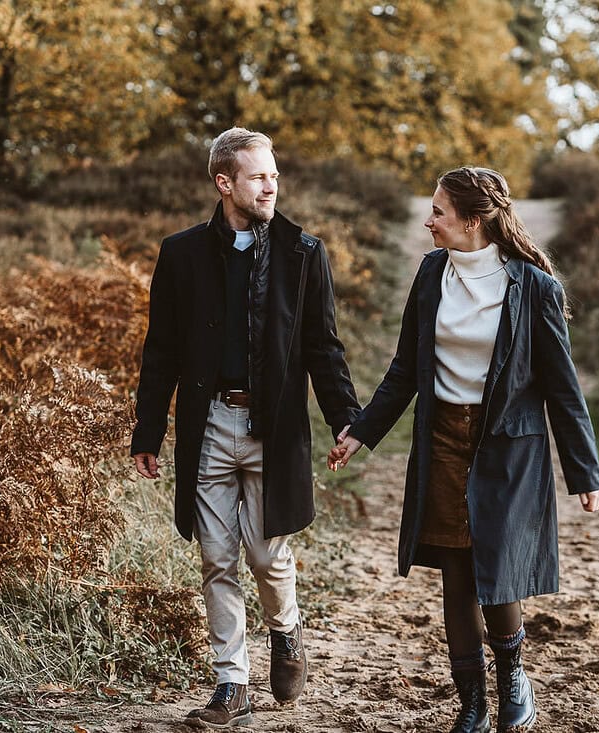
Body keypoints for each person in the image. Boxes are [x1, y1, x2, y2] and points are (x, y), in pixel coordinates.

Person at [329, 167, 599, 732]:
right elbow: (405, 367)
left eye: (438, 212)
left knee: (497, 572)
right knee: (456, 571)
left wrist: (584, 471)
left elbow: (561, 386)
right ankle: (472, 706)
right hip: (443, 441)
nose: (428, 220)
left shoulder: (534, 287)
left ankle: (513, 681)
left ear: (473, 221)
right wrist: (360, 430)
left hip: (507, 446)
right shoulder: (432, 273)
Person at [131, 127, 361, 729]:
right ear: (224, 182)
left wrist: (346, 421)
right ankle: (231, 683)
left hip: (274, 428)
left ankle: (285, 630)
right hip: (208, 426)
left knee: (265, 555)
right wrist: (147, 433)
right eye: (259, 176)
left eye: (275, 176)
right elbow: (161, 352)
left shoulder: (303, 254)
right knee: (216, 557)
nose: (271, 186)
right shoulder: (180, 254)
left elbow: (324, 349)